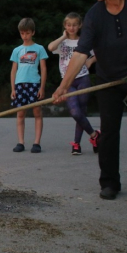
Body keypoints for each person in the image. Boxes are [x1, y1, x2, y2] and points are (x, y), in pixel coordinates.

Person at [52, 0, 127, 200]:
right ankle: (110, 183)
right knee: (110, 132)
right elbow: (81, 53)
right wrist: (63, 86)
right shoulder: (94, 15)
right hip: (108, 81)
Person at [48, 12, 100, 155]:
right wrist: (64, 36)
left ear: (80, 25)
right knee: (75, 112)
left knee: (81, 111)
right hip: (67, 82)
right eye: (69, 25)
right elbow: (51, 47)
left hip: (83, 78)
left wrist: (90, 60)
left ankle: (76, 144)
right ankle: (95, 135)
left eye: (75, 25)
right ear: (65, 26)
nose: (72, 28)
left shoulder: (84, 41)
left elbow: (98, 51)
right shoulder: (62, 42)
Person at [10, 18, 48, 153]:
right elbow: (14, 70)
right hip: (20, 85)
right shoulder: (17, 50)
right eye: (22, 33)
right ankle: (21, 142)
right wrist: (13, 88)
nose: (24, 36)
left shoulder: (39, 49)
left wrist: (42, 87)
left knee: (37, 112)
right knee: (20, 114)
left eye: (27, 33)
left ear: (33, 32)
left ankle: (36, 142)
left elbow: (43, 69)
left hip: (34, 84)